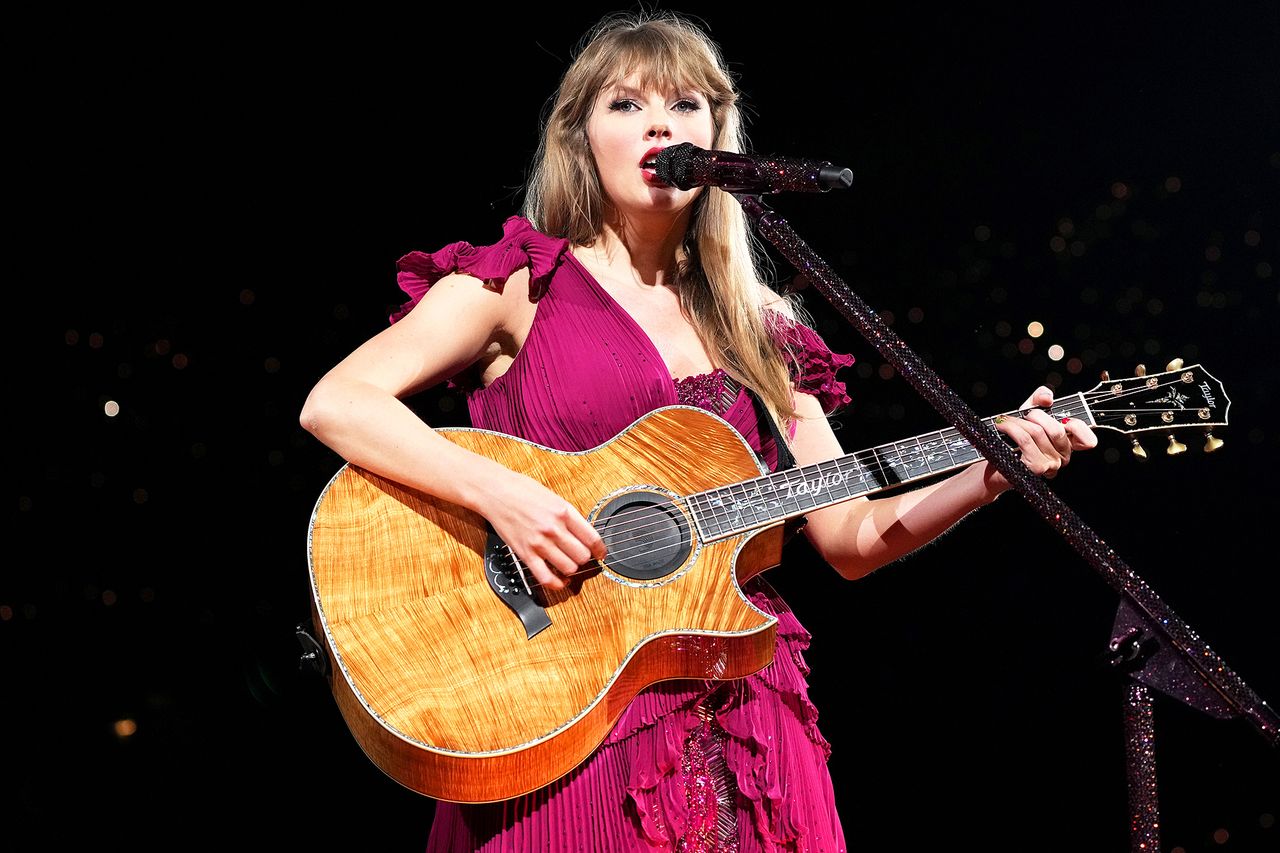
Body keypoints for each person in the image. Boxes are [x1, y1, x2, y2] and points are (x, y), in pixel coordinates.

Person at [299, 10, 1098, 851]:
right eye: (625, 104)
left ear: (719, 137)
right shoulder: (517, 283)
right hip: (557, 696)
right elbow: (340, 402)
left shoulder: (763, 327)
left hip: (743, 696)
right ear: (580, 137)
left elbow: (852, 535)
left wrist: (993, 469)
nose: (659, 124)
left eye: (686, 104)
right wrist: (509, 499)